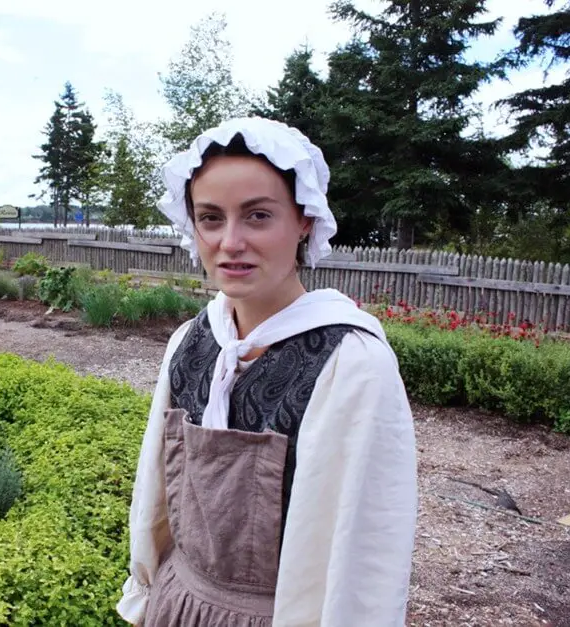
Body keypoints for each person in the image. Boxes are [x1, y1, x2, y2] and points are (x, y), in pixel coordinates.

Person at [116, 117, 417, 627]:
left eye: (257, 216)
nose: (230, 242)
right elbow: (155, 498)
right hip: (177, 606)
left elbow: (368, 554)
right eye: (211, 218)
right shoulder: (192, 343)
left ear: (304, 220)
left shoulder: (352, 365)